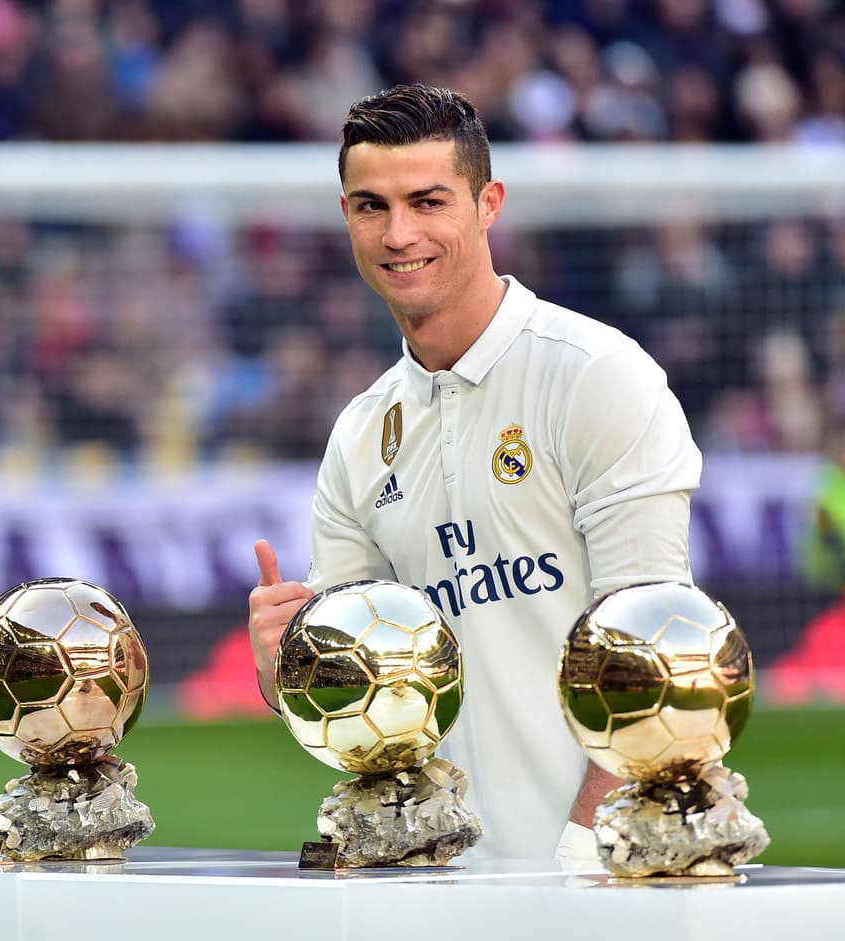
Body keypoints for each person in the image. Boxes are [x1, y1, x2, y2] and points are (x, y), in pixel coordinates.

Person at [247, 83, 701, 861]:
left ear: (488, 203)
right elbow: (367, 713)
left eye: (428, 202)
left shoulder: (594, 375)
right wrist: (284, 672)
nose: (398, 234)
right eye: (370, 206)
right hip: (436, 886)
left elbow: (655, 657)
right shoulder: (360, 436)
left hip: (605, 879)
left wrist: (580, 860)